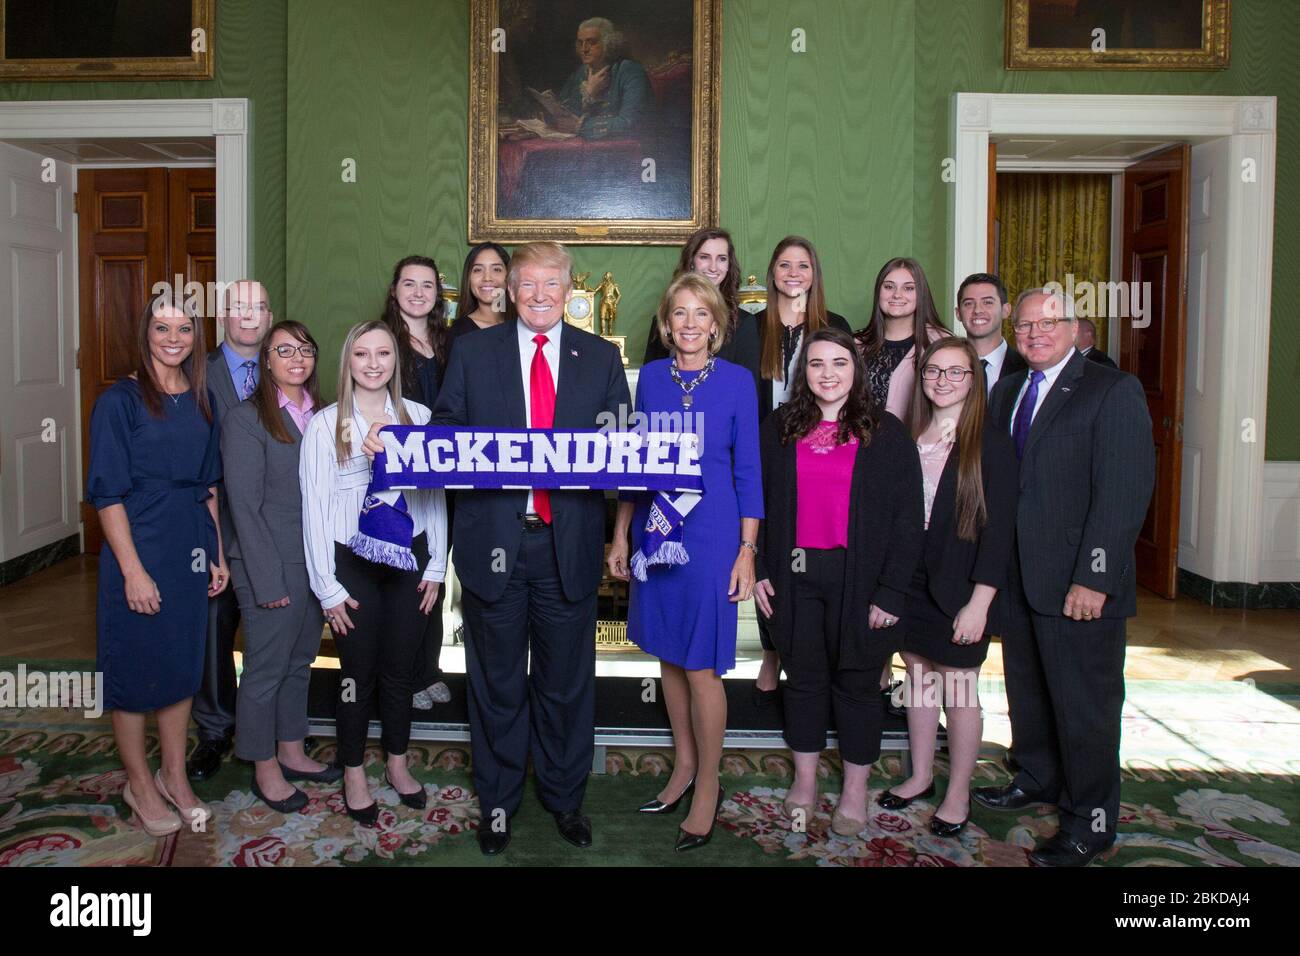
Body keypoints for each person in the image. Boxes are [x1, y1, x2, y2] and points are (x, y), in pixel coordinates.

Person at [431, 241, 630, 856]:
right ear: (507, 290)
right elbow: (444, 431)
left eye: (552, 284)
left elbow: (622, 448)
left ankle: (565, 797)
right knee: (495, 681)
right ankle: (497, 802)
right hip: (493, 541)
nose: (540, 296)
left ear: (569, 288)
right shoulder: (471, 351)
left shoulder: (598, 357)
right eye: (527, 284)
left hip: (565, 547)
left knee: (567, 683)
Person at [973, 288, 1154, 867]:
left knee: (1085, 709)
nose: (1034, 334)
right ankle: (1036, 776)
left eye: (1048, 323)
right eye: (1024, 326)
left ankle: (1090, 822)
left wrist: (1094, 579)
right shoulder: (1005, 392)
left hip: (1080, 584)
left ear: (1075, 328)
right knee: (1029, 692)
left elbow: (1124, 493)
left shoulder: (1111, 389)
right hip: (1021, 577)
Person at [608, 272, 762, 851]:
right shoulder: (648, 379)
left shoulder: (739, 382)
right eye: (680, 314)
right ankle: (682, 766)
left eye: (702, 314)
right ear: (666, 325)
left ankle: (709, 783)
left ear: (717, 325)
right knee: (669, 656)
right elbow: (633, 463)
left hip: (714, 534)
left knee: (700, 664)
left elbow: (748, 469)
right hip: (657, 530)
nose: (691, 324)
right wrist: (622, 536)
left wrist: (748, 551)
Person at [753, 327, 923, 835]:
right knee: (802, 680)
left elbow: (907, 519)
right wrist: (758, 567)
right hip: (794, 573)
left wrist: (892, 592)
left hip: (862, 579)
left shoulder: (886, 432)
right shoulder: (780, 426)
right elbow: (754, 503)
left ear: (856, 370)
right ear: (803, 372)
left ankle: (853, 792)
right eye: (817, 364)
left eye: (839, 363)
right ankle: (804, 783)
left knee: (856, 684)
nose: (828, 374)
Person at [88, 293, 225, 836]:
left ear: (196, 336)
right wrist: (132, 570)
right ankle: (139, 783)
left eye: (185, 327)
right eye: (163, 326)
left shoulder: (200, 397)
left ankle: (174, 774)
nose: (174, 337)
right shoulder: (118, 401)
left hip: (189, 541)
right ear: (146, 331)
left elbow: (208, 482)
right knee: (134, 671)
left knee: (180, 666)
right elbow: (107, 495)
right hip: (139, 543)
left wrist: (215, 552)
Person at [300, 321, 448, 825]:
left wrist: (436, 565)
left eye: (383, 353)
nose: (372, 363)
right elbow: (314, 511)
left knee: (400, 671)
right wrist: (327, 587)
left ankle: (399, 763)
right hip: (352, 565)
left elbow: (434, 499)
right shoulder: (324, 425)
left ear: (395, 361)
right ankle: (354, 769)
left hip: (409, 562)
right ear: (349, 362)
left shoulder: (421, 418)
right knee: (356, 674)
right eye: (361, 354)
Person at [881, 337, 1017, 837]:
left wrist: (981, 602)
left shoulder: (990, 441)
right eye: (934, 372)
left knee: (958, 690)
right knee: (917, 679)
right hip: (910, 579)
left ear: (973, 380)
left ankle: (958, 791)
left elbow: (1000, 531)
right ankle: (919, 775)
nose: (942, 381)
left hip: (960, 587)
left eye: (955, 373)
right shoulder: (909, 433)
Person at [222, 320, 342, 812]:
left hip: (314, 559)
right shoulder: (246, 419)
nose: (297, 358)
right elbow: (243, 507)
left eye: (305, 349)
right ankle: (263, 764)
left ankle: (292, 748)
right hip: (268, 559)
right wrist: (267, 578)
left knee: (300, 661)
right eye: (284, 350)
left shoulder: (326, 414)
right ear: (265, 361)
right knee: (266, 667)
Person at [752, 236, 851, 704]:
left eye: (804, 265)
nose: (794, 273)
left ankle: (817, 658)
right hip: (767, 451)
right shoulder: (752, 329)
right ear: (772, 273)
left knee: (808, 550)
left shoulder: (834, 325)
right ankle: (772, 650)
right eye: (785, 265)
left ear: (815, 273)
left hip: (820, 454)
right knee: (766, 547)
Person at [854, 257, 952, 703]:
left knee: (904, 574)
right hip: (859, 472)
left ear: (921, 294)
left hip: (915, 473)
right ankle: (872, 679)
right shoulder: (859, 344)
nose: (897, 295)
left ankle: (912, 692)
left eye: (908, 287)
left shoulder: (939, 345)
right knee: (867, 574)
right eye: (889, 286)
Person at [189, 280, 273, 781]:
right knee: (214, 628)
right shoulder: (198, 372)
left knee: (270, 627)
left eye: (259, 307)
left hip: (271, 521)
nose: (250, 316)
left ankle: (266, 722)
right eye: (240, 307)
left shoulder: (287, 365)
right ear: (224, 315)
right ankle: (215, 730)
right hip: (214, 521)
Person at [381, 255, 453, 710]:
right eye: (409, 283)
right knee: (406, 577)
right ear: (395, 290)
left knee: (435, 576)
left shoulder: (451, 341)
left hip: (447, 472)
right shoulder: (381, 339)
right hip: (401, 475)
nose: (419, 292)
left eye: (428, 285)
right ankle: (401, 676)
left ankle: (429, 668)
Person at [641, 227, 761, 395]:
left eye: (721, 259)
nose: (713, 267)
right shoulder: (663, 319)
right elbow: (651, 385)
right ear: (691, 261)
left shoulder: (743, 323)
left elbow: (750, 391)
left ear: (728, 265)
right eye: (704, 257)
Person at [556, 17, 653, 140]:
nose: (584, 49)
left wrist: (580, 126)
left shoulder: (629, 71)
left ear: (609, 43)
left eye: (592, 42)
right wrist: (589, 94)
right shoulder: (580, 73)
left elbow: (630, 123)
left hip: (625, 149)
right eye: (581, 43)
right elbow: (567, 113)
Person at [954, 272, 1027, 394]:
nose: (977, 310)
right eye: (968, 303)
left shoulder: (1026, 367)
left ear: (1006, 310)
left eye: (987, 302)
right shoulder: (944, 367)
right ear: (958, 313)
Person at [452, 242, 513, 339]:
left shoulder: (521, 326)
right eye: (478, 270)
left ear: (509, 276)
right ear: (468, 278)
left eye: (496, 269)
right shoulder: (458, 332)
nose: (487, 278)